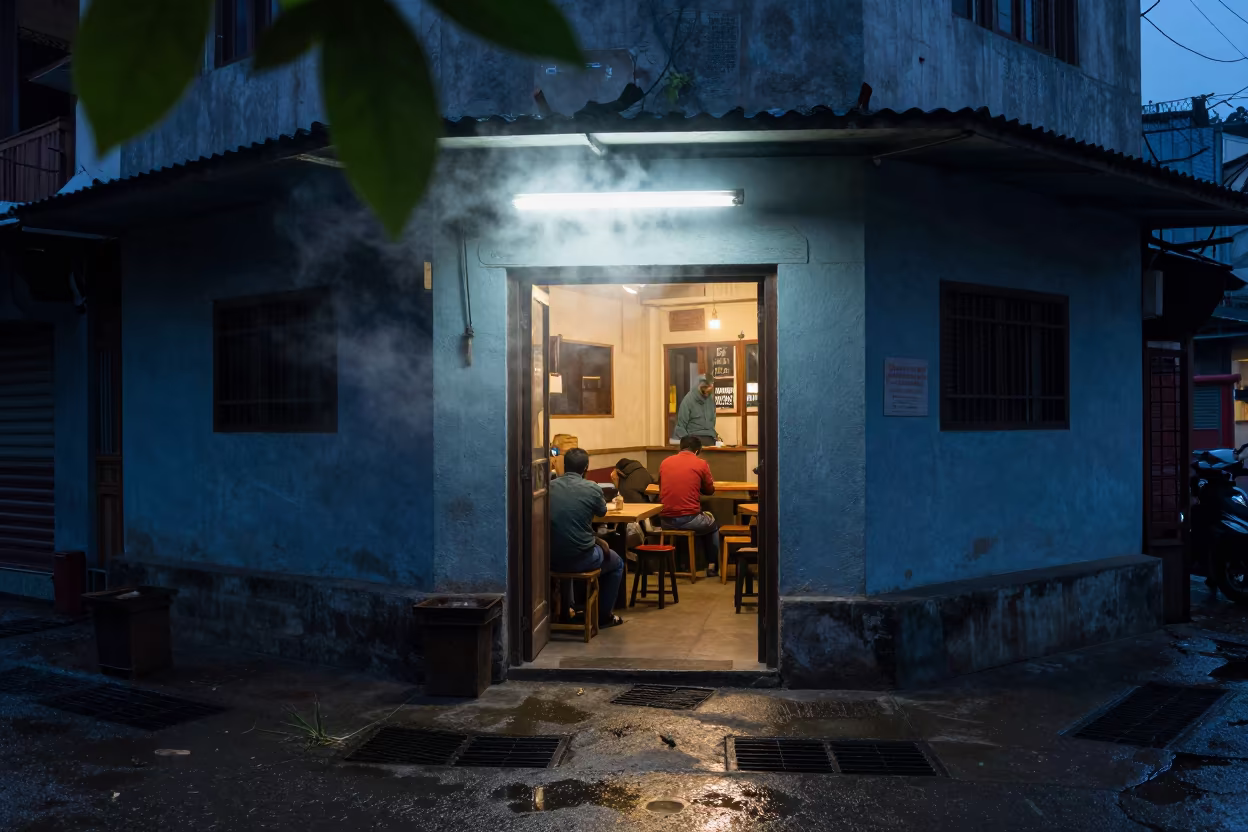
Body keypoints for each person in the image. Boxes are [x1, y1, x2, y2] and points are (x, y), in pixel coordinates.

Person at [549, 447, 624, 628]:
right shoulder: (592, 488)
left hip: (550, 559)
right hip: (581, 559)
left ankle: (568, 609)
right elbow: (602, 512)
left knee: (567, 545)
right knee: (617, 563)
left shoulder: (549, 487)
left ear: (564, 465)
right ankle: (603, 616)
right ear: (586, 468)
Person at [658, 436, 720, 578]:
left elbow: (661, 487)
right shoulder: (701, 464)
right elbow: (710, 490)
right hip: (690, 519)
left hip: (665, 520)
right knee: (712, 524)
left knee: (692, 521)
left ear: (680, 447)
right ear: (697, 451)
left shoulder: (665, 462)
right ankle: (712, 566)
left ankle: (680, 564)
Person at [675, 377, 718, 447]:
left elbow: (713, 421)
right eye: (706, 390)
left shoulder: (710, 400)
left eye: (710, 391)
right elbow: (680, 427)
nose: (708, 393)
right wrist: (688, 443)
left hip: (710, 439)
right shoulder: (688, 400)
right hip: (693, 439)